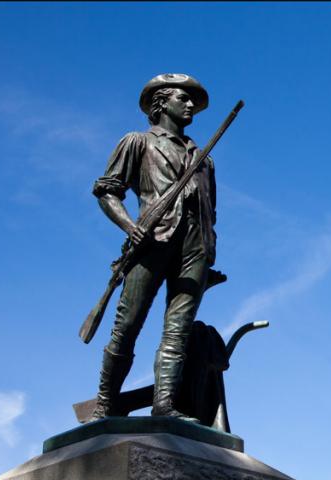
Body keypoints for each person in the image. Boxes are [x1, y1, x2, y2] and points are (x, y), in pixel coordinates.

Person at [89, 73, 218, 421]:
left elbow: (211, 212)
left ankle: (164, 407)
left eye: (192, 100)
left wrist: (208, 256)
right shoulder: (137, 142)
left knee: (177, 332)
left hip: (196, 248)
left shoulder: (204, 160)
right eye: (182, 98)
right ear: (162, 103)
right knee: (128, 326)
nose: (190, 104)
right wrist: (130, 227)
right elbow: (107, 190)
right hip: (152, 240)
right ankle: (105, 403)